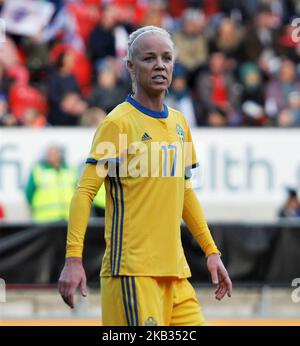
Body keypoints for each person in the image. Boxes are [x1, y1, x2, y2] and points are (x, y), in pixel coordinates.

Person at [58, 25, 232, 326]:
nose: (160, 65)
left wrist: (211, 251)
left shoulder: (179, 124)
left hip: (176, 274)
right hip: (132, 273)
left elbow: (186, 192)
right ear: (130, 66)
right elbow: (85, 192)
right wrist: (73, 258)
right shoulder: (118, 124)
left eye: (166, 58)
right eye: (149, 58)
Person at [25, 145, 77, 223]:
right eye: (50, 154)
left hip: (68, 218)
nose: (53, 156)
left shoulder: (70, 170)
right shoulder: (38, 170)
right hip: (44, 219)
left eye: (55, 153)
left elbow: (78, 191)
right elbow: (29, 193)